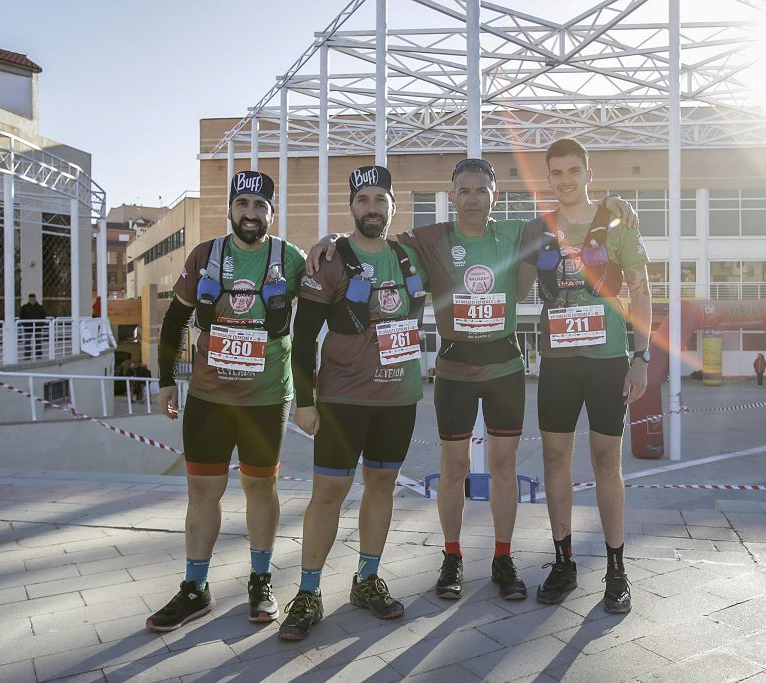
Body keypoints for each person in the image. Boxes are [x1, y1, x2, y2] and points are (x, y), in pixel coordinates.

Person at [307, 158, 636, 602]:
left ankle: (503, 558)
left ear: (494, 196)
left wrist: (613, 204)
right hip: (455, 368)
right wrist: (333, 239)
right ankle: (452, 558)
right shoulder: (432, 237)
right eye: (463, 191)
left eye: (481, 190)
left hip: (504, 366)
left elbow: (572, 213)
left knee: (504, 466)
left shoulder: (518, 233)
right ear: (451, 196)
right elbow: (373, 239)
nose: (472, 199)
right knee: (454, 468)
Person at [148, 171, 305, 632]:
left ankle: (260, 580)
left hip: (265, 396)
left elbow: (324, 297)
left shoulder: (289, 258)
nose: (250, 214)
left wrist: (332, 240)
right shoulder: (205, 255)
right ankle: (195, 588)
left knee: (261, 488)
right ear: (231, 208)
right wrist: (164, 380)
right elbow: (175, 321)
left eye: (260, 207)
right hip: (209, 396)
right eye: (243, 205)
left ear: (271, 214)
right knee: (202, 491)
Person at [279, 166, 427, 641]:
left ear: (392, 207)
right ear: (351, 207)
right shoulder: (331, 258)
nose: (372, 208)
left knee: (382, 485)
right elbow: (303, 339)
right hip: (342, 398)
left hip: (398, 396)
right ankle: (307, 592)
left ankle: (366, 580)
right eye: (363, 199)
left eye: (380, 200)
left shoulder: (408, 255)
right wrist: (305, 402)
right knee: (329, 493)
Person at [524, 138, 649, 614]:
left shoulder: (617, 222)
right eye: (556, 173)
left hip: (607, 361)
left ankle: (617, 570)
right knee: (555, 460)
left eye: (573, 170)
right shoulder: (539, 229)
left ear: (588, 174)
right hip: (558, 363)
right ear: (549, 179)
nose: (566, 180)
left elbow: (641, 291)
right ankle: (563, 562)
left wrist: (641, 357)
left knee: (605, 463)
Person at [19, 293, 46, 360]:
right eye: (30, 300)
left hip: (38, 328)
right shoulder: (24, 307)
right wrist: (25, 325)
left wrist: (41, 325)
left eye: (33, 300)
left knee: (38, 342)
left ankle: (38, 355)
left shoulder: (40, 307)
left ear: (35, 299)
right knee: (27, 342)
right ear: (28, 299)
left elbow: (43, 317)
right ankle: (27, 356)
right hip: (28, 328)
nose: (32, 301)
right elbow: (21, 317)